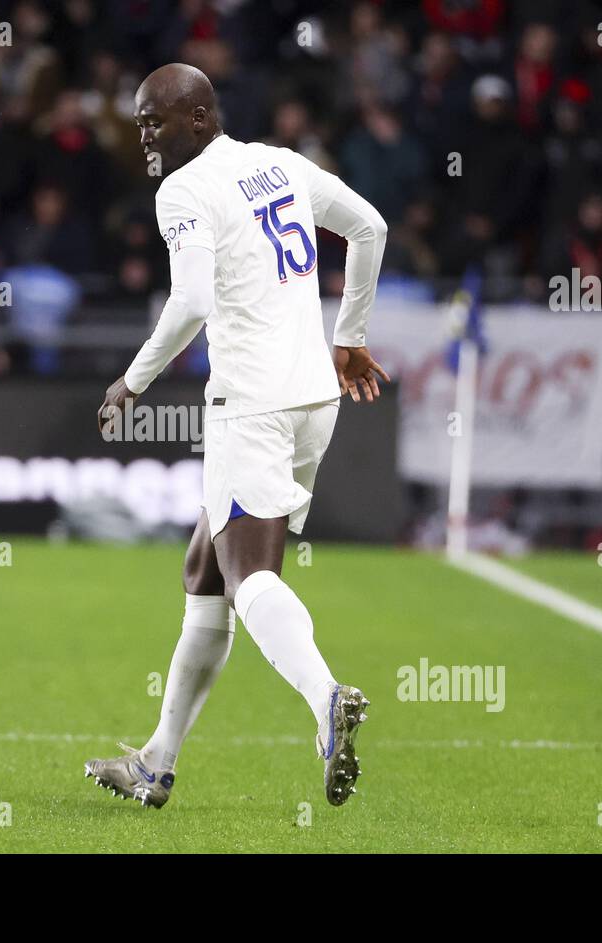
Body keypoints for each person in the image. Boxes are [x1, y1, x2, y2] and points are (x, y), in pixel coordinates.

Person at [85, 64, 390, 809]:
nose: (145, 135)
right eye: (139, 122)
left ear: (197, 119)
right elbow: (370, 227)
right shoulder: (277, 164)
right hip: (314, 397)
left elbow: (189, 301)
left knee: (250, 573)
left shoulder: (183, 190)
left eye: (155, 120)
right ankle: (157, 760)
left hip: (248, 403)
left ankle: (326, 700)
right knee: (207, 570)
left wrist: (133, 381)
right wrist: (348, 337)